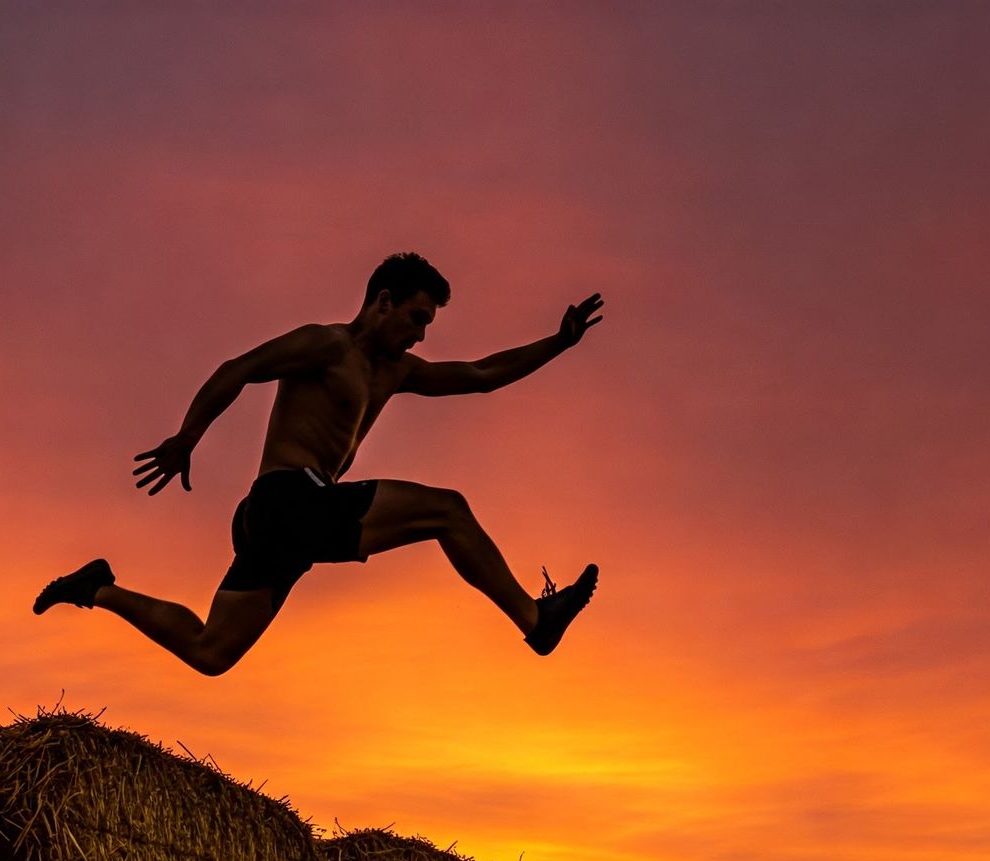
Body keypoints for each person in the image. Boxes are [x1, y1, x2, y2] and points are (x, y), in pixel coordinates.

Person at [34, 252, 603, 675]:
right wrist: (187, 437)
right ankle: (536, 622)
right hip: (289, 498)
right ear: (382, 301)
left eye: (428, 325)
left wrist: (558, 343)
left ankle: (97, 590)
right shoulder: (329, 345)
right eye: (415, 317)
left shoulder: (396, 372)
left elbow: (480, 376)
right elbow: (239, 367)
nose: (420, 333)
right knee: (447, 511)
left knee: (211, 652)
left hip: (280, 523)